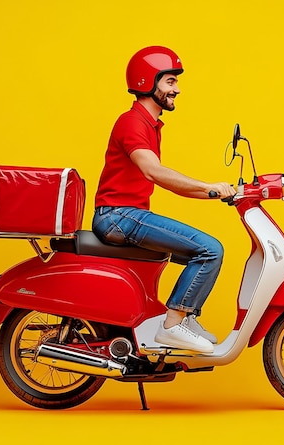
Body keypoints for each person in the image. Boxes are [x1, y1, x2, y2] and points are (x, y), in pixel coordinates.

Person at [92, 46, 235, 353]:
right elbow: (154, 172)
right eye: (170, 82)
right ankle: (174, 323)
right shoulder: (132, 122)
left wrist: (214, 193)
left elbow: (170, 184)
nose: (177, 89)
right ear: (148, 82)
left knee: (203, 252)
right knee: (209, 250)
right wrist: (208, 185)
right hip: (117, 215)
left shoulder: (150, 125)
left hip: (125, 214)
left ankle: (185, 316)